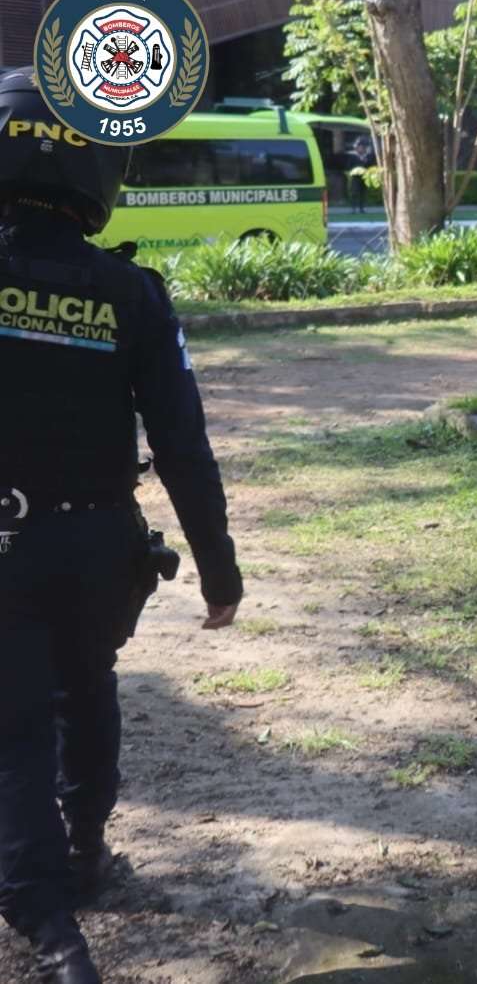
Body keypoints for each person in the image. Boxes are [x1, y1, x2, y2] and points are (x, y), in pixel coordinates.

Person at [0, 68, 243, 983]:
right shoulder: (131, 292)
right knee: (85, 689)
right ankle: (84, 853)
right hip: (100, 546)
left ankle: (47, 923)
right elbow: (183, 444)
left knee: (15, 729)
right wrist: (219, 571)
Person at [348, 136, 374, 214]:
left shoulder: (368, 156)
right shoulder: (353, 156)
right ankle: (353, 208)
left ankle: (362, 208)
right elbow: (349, 166)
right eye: (358, 147)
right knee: (354, 192)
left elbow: (371, 165)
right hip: (355, 176)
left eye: (362, 147)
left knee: (363, 193)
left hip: (365, 176)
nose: (360, 148)